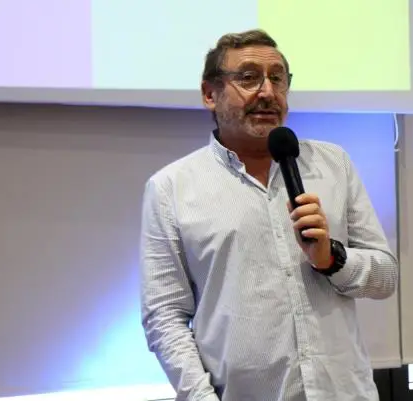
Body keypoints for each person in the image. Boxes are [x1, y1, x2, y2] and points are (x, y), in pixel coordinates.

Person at [139, 29, 398, 401]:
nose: (267, 92)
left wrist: (332, 259)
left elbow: (385, 277)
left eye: (278, 79)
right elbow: (164, 316)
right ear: (209, 94)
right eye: (248, 78)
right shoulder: (171, 188)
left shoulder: (333, 164)